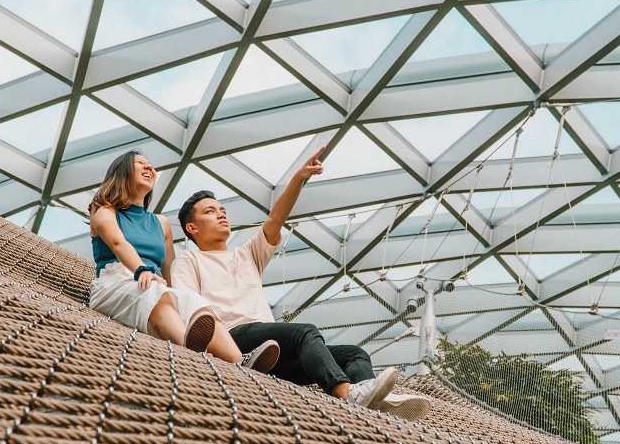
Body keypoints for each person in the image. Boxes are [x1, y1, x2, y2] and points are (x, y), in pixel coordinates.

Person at [172, 147, 431, 420]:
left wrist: (299, 179)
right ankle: (346, 393)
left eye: (223, 210)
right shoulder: (189, 260)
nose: (222, 215)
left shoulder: (246, 255)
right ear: (192, 228)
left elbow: (275, 219)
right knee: (304, 332)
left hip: (271, 355)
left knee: (354, 354)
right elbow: (189, 309)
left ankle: (377, 407)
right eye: (210, 212)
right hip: (235, 341)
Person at [87, 150, 279, 373]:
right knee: (153, 292)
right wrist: (141, 269)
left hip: (153, 283)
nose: (148, 167)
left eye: (150, 165)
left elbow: (169, 272)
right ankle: (191, 351)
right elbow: (118, 242)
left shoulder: (161, 223)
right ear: (121, 172)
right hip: (116, 282)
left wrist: (182, 298)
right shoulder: (102, 209)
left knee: (194, 301)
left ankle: (240, 360)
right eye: (140, 163)